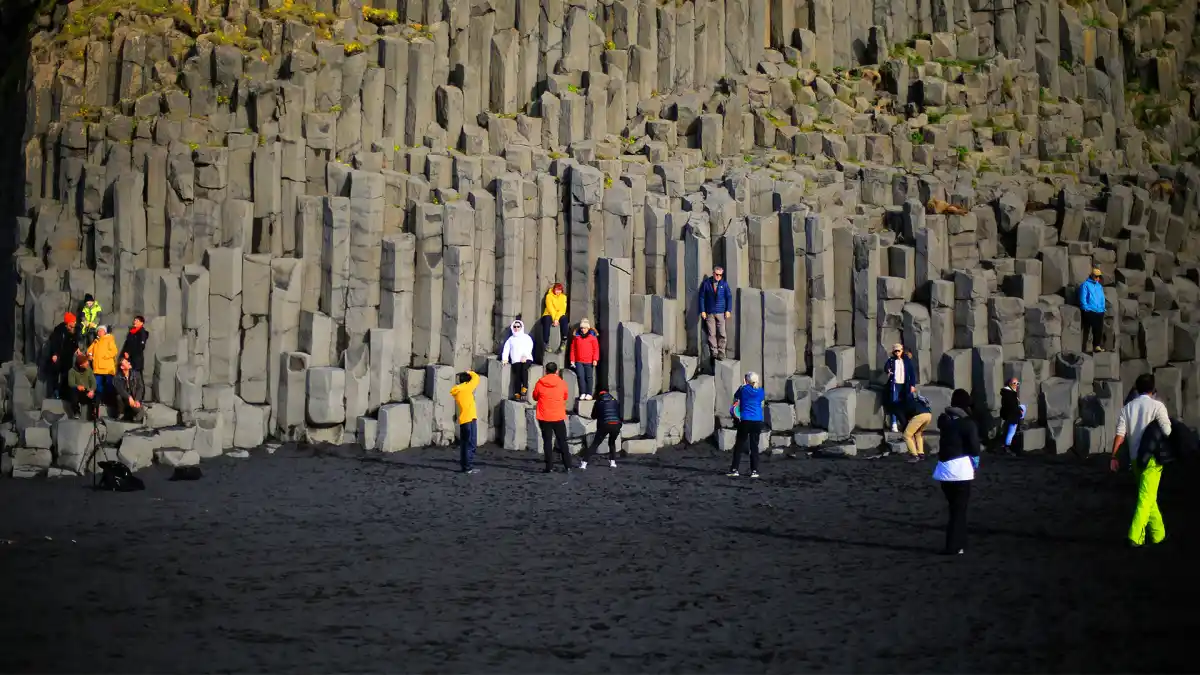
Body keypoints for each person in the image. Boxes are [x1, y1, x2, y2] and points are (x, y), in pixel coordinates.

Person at [1111, 373, 1172, 547]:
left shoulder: (1128, 408)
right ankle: (1135, 536)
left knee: (1147, 496)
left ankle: (1158, 534)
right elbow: (1167, 431)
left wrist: (1113, 456)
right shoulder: (1158, 407)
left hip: (1135, 459)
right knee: (1146, 497)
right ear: (1153, 388)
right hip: (1153, 459)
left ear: (1136, 389)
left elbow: (1120, 435)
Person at [933, 389, 982, 555]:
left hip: (943, 471)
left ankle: (959, 543)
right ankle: (955, 546)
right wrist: (975, 462)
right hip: (960, 470)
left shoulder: (944, 421)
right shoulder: (968, 424)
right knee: (959, 511)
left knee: (954, 508)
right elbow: (974, 448)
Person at [532, 362, 571, 474]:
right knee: (562, 441)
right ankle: (567, 466)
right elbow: (565, 396)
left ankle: (549, 467)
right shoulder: (562, 383)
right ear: (556, 371)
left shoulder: (540, 383)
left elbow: (535, 397)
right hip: (558, 416)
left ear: (546, 371)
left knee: (547, 442)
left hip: (544, 416)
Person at [727, 372, 766, 478]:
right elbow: (760, 399)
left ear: (746, 380)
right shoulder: (761, 391)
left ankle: (734, 469)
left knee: (739, 445)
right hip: (757, 421)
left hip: (745, 420)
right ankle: (754, 471)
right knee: (754, 446)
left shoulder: (743, 389)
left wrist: (743, 385)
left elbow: (736, 397)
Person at [698, 266, 734, 361]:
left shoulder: (724, 284)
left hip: (721, 312)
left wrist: (728, 310)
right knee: (711, 333)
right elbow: (701, 297)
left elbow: (729, 297)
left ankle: (721, 351)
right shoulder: (706, 283)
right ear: (713, 273)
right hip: (710, 312)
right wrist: (703, 311)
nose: (718, 276)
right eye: (717, 274)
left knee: (722, 332)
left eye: (720, 275)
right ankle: (714, 352)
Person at [581, 389, 620, 469]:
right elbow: (618, 413)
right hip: (616, 424)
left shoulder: (598, 403)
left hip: (605, 425)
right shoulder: (615, 401)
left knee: (595, 444)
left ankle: (584, 463)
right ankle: (613, 462)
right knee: (612, 443)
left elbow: (593, 416)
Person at [450, 371, 481, 474]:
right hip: (470, 419)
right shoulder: (467, 388)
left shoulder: (458, 390)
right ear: (467, 381)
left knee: (464, 444)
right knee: (471, 443)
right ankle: (468, 467)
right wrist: (469, 372)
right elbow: (476, 378)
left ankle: (465, 466)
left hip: (464, 420)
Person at [46, 312, 79, 398]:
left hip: (68, 357)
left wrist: (77, 349)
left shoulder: (73, 331)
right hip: (59, 356)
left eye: (73, 326)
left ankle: (65, 394)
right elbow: (54, 343)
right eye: (71, 325)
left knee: (67, 375)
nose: (72, 327)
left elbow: (74, 342)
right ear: (66, 324)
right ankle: (55, 392)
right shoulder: (59, 331)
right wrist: (54, 353)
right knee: (55, 374)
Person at [501, 319, 535, 401]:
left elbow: (529, 347)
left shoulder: (526, 337)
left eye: (518, 326)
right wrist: (504, 359)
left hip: (526, 358)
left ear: (521, 327)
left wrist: (525, 356)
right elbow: (506, 349)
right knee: (517, 374)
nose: (516, 328)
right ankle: (517, 393)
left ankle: (525, 387)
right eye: (515, 326)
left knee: (524, 369)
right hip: (516, 360)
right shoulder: (510, 339)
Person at [885, 343, 915, 432]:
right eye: (895, 351)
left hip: (904, 385)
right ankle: (894, 423)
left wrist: (912, 385)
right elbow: (886, 367)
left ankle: (905, 423)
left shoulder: (906, 361)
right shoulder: (891, 360)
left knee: (906, 403)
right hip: (895, 384)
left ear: (902, 351)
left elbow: (912, 374)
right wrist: (888, 370)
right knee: (894, 403)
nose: (897, 352)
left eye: (899, 350)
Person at [569, 318, 600, 400]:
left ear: (588, 328)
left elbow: (596, 349)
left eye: (585, 328)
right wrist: (572, 359)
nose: (583, 330)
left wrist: (595, 359)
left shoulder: (592, 337)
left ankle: (589, 393)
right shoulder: (577, 337)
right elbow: (573, 349)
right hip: (579, 361)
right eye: (582, 328)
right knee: (580, 376)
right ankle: (582, 392)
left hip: (589, 361)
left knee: (589, 377)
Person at [86, 326, 118, 403]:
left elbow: (114, 351)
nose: (99, 332)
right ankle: (99, 402)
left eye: (101, 331)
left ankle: (110, 403)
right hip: (97, 368)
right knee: (97, 386)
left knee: (109, 386)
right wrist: (90, 355)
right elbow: (89, 350)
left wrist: (104, 356)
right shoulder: (96, 341)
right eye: (98, 331)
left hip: (107, 368)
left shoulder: (109, 339)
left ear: (105, 332)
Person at [1078, 268, 1106, 353]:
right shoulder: (1085, 285)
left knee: (1099, 328)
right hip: (1090, 310)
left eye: (1099, 277)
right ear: (1092, 276)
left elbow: (1102, 298)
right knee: (1092, 328)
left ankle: (1097, 346)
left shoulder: (1099, 286)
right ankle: (1085, 348)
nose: (1098, 278)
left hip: (1100, 310)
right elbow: (1083, 296)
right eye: (1096, 276)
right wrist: (1085, 307)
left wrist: (1103, 307)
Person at [539, 283, 569, 360]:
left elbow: (563, 309)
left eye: (559, 290)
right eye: (556, 289)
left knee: (564, 319)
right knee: (547, 319)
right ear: (554, 289)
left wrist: (556, 319)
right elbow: (550, 308)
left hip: (559, 315)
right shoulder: (549, 296)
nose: (558, 291)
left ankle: (564, 340)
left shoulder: (563, 297)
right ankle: (546, 342)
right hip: (549, 314)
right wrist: (554, 318)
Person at [903, 387, 933, 463]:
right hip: (928, 415)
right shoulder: (918, 400)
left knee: (907, 435)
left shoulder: (906, 401)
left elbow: (906, 416)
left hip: (919, 416)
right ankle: (921, 454)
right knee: (918, 434)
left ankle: (914, 455)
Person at [65, 354, 98, 421]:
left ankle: (94, 415)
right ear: (80, 365)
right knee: (73, 391)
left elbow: (94, 382)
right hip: (78, 392)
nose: (87, 363)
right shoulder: (72, 371)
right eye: (85, 362)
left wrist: (92, 390)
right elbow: (71, 383)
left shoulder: (89, 369)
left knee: (97, 396)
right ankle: (76, 412)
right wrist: (77, 386)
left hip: (87, 391)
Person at [112, 358, 145, 422]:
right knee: (118, 396)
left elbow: (140, 388)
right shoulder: (116, 378)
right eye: (126, 363)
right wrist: (129, 397)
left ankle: (135, 416)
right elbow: (120, 390)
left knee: (139, 411)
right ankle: (121, 414)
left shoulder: (136, 374)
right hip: (125, 401)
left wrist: (137, 399)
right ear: (122, 367)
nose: (129, 363)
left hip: (134, 399)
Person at [999, 378, 1025, 455]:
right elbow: (1011, 406)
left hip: (1011, 415)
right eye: (1014, 383)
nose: (1016, 385)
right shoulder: (1009, 394)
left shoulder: (1009, 393)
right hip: (1012, 416)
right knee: (1010, 432)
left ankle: (1008, 447)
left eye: (1017, 383)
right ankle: (1007, 448)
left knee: (1010, 432)